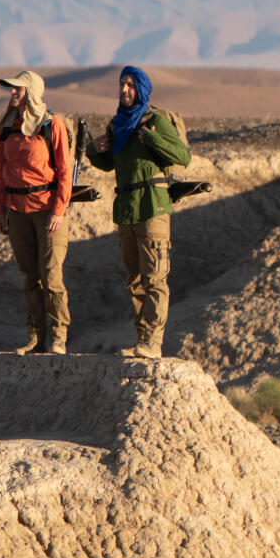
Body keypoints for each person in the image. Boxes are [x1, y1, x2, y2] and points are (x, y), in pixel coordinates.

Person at [86, 64, 190, 360]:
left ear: (141, 89)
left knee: (155, 278)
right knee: (134, 279)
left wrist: (153, 139)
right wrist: (93, 150)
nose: (124, 90)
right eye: (121, 84)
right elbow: (110, 163)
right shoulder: (117, 124)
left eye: (130, 85)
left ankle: (152, 343)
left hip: (153, 207)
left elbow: (183, 156)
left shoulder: (155, 120)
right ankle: (141, 340)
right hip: (127, 210)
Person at [0, 69, 75, 354]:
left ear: (32, 91)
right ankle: (35, 336)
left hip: (47, 211)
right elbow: (1, 172)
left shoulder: (52, 125)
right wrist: (1, 208)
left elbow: (65, 171)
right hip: (17, 211)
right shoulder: (6, 127)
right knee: (30, 275)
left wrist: (59, 210)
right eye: (11, 89)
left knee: (51, 275)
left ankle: (58, 336)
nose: (12, 93)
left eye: (18, 89)